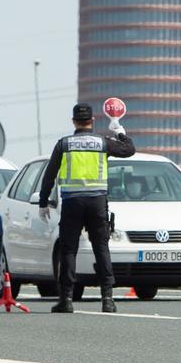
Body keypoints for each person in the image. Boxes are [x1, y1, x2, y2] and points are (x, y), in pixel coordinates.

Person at [37, 102, 135, 313]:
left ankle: (66, 299)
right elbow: (129, 150)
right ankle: (107, 300)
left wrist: (43, 202)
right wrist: (120, 133)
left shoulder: (63, 144)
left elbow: (49, 175)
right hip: (97, 201)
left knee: (68, 250)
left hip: (72, 202)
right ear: (92, 121)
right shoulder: (102, 142)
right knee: (101, 248)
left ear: (74, 121)